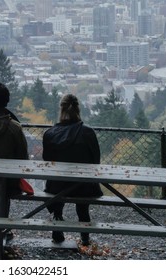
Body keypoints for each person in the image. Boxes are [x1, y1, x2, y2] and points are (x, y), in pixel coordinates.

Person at [42, 94, 103, 246]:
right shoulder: (88, 133)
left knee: (56, 187)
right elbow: (96, 161)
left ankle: (57, 225)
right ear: (78, 109)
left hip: (57, 186)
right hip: (83, 186)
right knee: (83, 206)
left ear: (61, 109)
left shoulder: (50, 134)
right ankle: (85, 237)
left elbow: (46, 160)